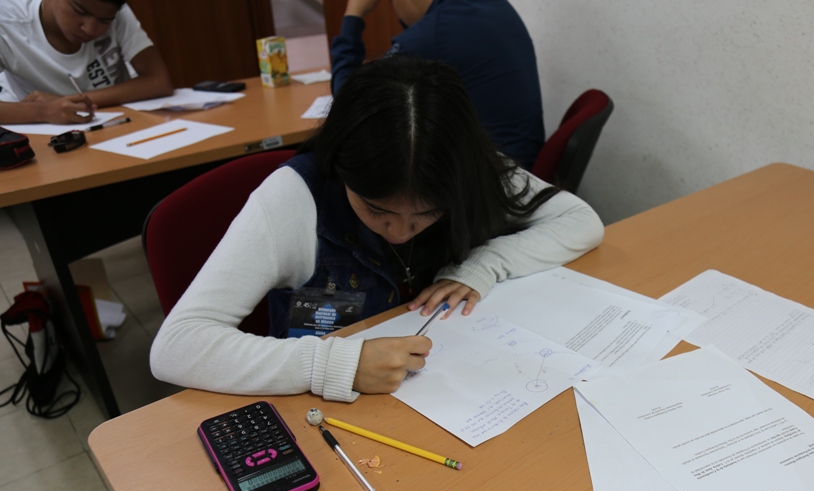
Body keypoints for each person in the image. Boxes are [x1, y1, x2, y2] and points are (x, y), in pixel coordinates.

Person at [150, 56, 603, 403]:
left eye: (428, 213)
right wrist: (335, 364)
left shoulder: (469, 169)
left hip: (441, 392)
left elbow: (581, 221)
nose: (401, 232)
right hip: (323, 412)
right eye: (376, 209)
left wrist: (484, 265)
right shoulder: (291, 200)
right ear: (342, 167)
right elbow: (176, 347)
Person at [331, 0, 545, 170]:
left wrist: (353, 13)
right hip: (523, 169)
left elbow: (348, 106)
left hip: (493, 185)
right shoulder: (490, 6)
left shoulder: (431, 34)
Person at [0, 0, 173, 125]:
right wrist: (44, 111)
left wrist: (68, 102)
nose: (90, 29)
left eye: (104, 21)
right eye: (80, 12)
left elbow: (159, 81)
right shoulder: (7, 23)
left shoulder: (117, 11)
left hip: (119, 125)